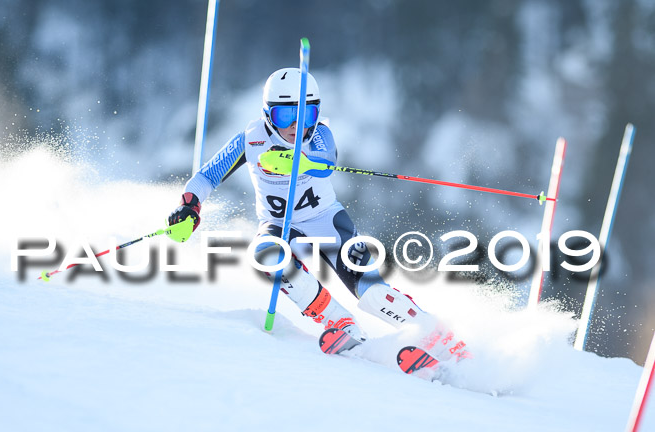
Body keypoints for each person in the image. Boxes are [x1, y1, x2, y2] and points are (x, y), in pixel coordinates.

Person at [167, 68, 467, 362]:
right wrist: (189, 206)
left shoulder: (319, 134)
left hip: (327, 221)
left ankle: (441, 342)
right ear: (267, 114)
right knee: (267, 256)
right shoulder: (251, 139)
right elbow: (208, 175)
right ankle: (340, 323)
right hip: (279, 225)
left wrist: (297, 161)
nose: (297, 126)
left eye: (306, 114)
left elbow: (325, 161)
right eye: (285, 116)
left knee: (372, 293)